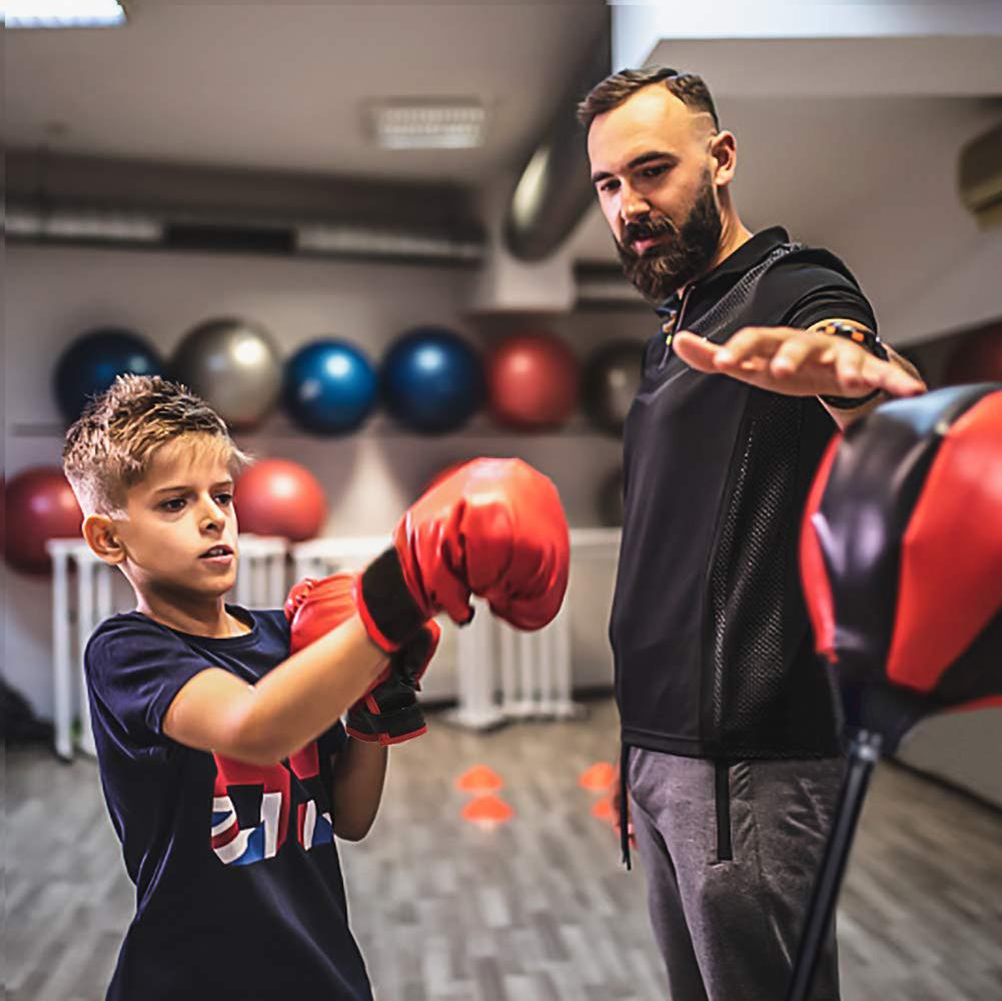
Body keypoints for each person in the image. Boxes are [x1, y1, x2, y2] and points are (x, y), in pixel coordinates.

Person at [578, 67, 925, 1001]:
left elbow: (851, 350)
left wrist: (847, 369)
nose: (628, 205)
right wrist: (636, 755)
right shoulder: (672, 334)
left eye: (651, 172)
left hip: (750, 757)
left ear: (721, 158)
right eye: (608, 185)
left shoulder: (793, 283)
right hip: (658, 746)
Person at [62, 373, 568, 1001]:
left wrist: (375, 703)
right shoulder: (128, 653)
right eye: (175, 503)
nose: (212, 518)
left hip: (319, 966)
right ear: (109, 537)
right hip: (191, 978)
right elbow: (255, 730)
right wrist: (399, 593)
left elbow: (350, 818)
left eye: (222, 495)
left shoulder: (287, 641)